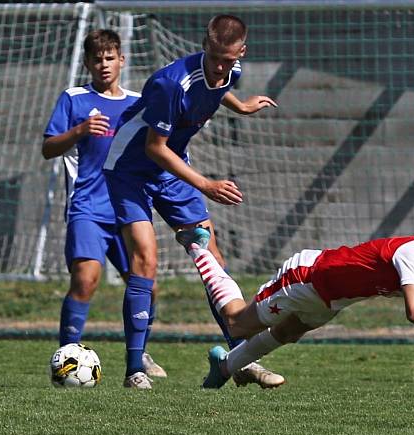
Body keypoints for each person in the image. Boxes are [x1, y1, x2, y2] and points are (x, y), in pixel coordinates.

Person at [104, 14, 283, 389]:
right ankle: (135, 368)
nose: (220, 64)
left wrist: (242, 107)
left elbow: (218, 89)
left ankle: (239, 359)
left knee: (213, 261)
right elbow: (155, 148)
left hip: (172, 170)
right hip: (130, 169)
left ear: (241, 52)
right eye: (214, 56)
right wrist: (206, 184)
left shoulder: (231, 72)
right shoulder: (172, 84)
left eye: (228, 58)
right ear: (205, 45)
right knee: (145, 260)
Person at [176, 223, 414, 393]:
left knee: (287, 334)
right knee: (236, 322)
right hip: (307, 278)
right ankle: (198, 247)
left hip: (332, 300)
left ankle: (224, 368)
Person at [42, 29, 168, 382]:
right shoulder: (74, 99)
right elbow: (49, 148)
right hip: (88, 207)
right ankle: (67, 356)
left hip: (128, 209)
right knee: (86, 279)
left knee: (148, 285)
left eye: (110, 57)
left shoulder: (137, 103)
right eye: (97, 59)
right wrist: (80, 130)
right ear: (87, 63)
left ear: (122, 60)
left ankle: (139, 355)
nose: (104, 64)